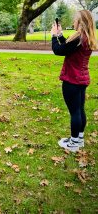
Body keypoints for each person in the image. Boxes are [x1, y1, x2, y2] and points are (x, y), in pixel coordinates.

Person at [51, 10, 97, 152]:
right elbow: (68, 48)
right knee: (80, 109)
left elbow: (58, 50)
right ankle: (79, 139)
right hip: (81, 79)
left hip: (72, 80)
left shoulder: (79, 38)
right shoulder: (86, 37)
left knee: (75, 112)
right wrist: (60, 35)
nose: (73, 22)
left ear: (80, 22)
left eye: (75, 19)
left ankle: (73, 143)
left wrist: (53, 36)